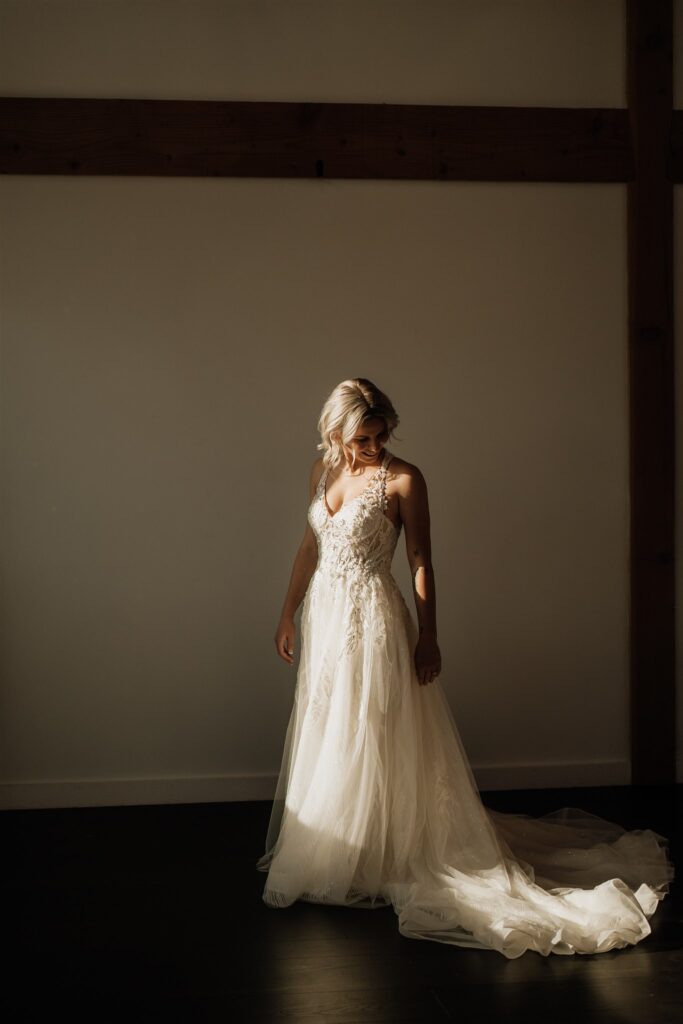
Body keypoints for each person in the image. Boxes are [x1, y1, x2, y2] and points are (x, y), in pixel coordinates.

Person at [256, 377, 673, 958]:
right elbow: (310, 546)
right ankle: (339, 849)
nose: (373, 446)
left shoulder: (403, 479)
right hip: (326, 618)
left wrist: (429, 636)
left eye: (381, 434)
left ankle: (386, 852)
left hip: (374, 620)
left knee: (374, 731)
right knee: (332, 728)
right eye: (362, 437)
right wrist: (287, 612)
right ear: (336, 432)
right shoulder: (322, 471)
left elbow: (422, 559)